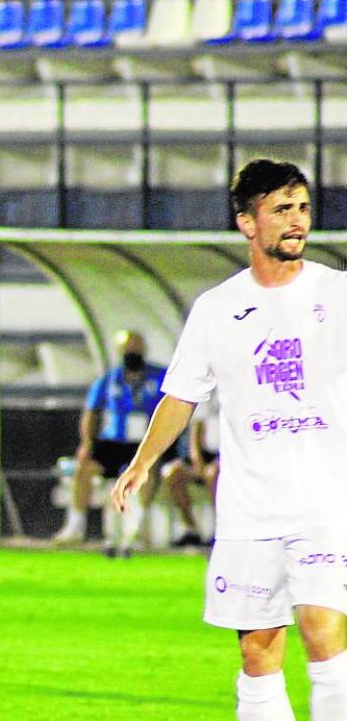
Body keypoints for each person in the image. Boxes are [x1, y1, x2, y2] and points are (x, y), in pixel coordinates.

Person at [112, 159, 347, 721]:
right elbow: (182, 396)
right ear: (247, 223)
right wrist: (143, 462)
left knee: (322, 630)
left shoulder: (337, 293)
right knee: (258, 651)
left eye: (303, 208)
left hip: (324, 500)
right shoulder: (217, 309)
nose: (297, 222)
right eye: (282, 209)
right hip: (248, 507)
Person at [53, 330, 172, 556]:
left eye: (136, 349)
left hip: (144, 441)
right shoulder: (109, 379)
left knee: (147, 470)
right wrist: (87, 443)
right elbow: (91, 412)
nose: (132, 354)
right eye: (128, 349)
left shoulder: (158, 377)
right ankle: (75, 526)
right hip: (115, 442)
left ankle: (136, 529)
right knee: (83, 469)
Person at [161, 396, 220, 547]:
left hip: (225, 458)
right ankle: (191, 529)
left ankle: (219, 528)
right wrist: (198, 462)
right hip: (203, 455)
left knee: (214, 474)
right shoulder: (206, 395)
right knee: (173, 474)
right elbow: (196, 429)